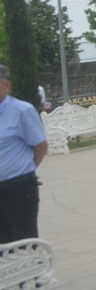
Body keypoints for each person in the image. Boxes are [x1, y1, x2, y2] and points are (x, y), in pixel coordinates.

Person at [0, 64, 48, 243]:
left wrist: (27, 168)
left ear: (6, 85)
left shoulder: (22, 111)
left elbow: (40, 145)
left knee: (24, 242)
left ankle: (31, 265)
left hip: (18, 188)